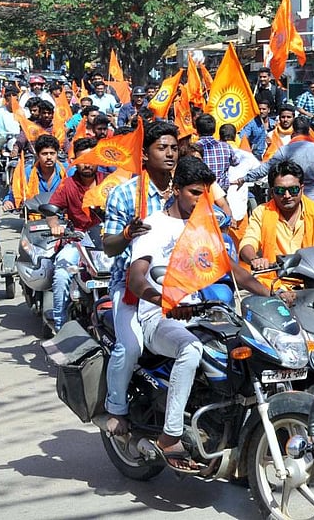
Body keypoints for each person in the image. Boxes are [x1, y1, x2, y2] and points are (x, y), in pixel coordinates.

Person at [127, 156, 272, 472]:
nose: (201, 200)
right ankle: (170, 436)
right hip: (160, 317)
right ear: (176, 189)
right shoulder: (154, 226)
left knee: (248, 352)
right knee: (190, 350)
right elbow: (136, 280)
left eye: (206, 194)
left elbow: (236, 272)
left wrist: (272, 293)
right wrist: (165, 301)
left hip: (200, 316)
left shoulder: (202, 230)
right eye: (195, 192)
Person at [102, 122, 179, 436]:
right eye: (162, 148)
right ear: (145, 155)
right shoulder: (124, 194)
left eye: (174, 148)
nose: (170, 154)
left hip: (181, 286)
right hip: (132, 288)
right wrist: (126, 234)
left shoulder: (184, 192)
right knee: (130, 347)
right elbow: (108, 246)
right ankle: (116, 408)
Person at [46, 137, 105, 330]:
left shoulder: (110, 182)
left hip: (106, 242)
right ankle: (60, 326)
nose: (87, 164)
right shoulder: (67, 185)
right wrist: (55, 225)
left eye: (91, 159)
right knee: (62, 274)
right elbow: (52, 211)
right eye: (82, 160)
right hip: (77, 240)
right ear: (75, 162)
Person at [237, 117, 314, 202]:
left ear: (293, 131)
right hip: (313, 201)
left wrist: (244, 179)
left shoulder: (285, 150)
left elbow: (265, 169)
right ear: (308, 131)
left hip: (290, 200)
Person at [3, 134, 67, 211]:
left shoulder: (67, 170)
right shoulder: (26, 173)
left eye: (52, 153)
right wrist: (8, 202)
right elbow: (14, 193)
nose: (49, 157)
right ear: (37, 155)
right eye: (44, 154)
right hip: (35, 217)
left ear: (57, 154)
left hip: (62, 217)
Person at [193, 113, 239, 191]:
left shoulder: (193, 148)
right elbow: (236, 162)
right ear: (214, 130)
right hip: (221, 192)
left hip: (202, 192)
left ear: (197, 130)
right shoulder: (226, 146)